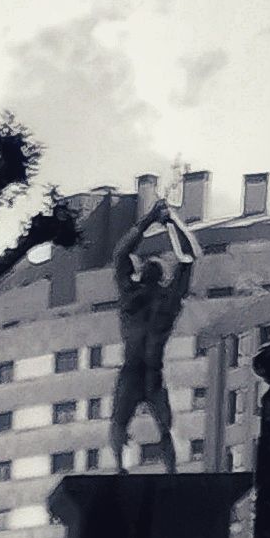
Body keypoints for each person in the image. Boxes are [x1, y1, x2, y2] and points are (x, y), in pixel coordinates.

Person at [110, 197, 200, 473]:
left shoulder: (160, 300)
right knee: (122, 423)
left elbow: (188, 259)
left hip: (149, 371)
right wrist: (155, 220)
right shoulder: (139, 297)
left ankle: (168, 469)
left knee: (162, 425)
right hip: (139, 369)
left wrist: (169, 221)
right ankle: (120, 466)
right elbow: (121, 255)